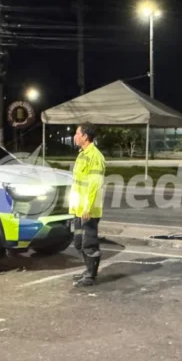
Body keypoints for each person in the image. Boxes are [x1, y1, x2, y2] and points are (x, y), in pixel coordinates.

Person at [69, 123, 106, 287]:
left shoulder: (95, 157)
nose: (74, 136)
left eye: (77, 133)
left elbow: (94, 184)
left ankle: (91, 275)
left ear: (85, 136)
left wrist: (88, 208)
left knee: (89, 243)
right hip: (78, 209)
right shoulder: (82, 154)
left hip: (88, 211)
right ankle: (88, 270)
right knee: (78, 242)